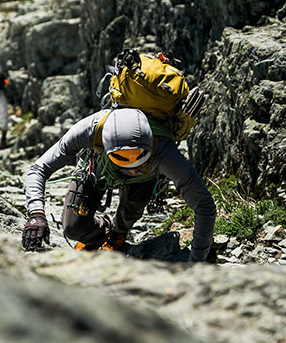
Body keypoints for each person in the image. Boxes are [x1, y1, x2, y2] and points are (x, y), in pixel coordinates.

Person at [21, 108, 217, 263]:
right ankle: (104, 230)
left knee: (128, 216)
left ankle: (117, 232)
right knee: (73, 228)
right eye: (124, 160)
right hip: (96, 169)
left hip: (144, 178)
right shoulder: (89, 131)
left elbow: (204, 206)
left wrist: (196, 262)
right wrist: (36, 214)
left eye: (139, 160)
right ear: (105, 147)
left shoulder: (165, 152)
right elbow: (39, 169)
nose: (132, 169)